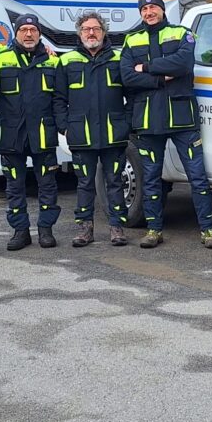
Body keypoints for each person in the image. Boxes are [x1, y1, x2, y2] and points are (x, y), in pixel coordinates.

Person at [120, 0, 212, 249]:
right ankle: (154, 230)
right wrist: (158, 78)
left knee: (197, 177)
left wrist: (146, 67)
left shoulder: (181, 33)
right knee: (151, 179)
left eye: (153, 8)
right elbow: (127, 78)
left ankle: (208, 231)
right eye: (144, 9)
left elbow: (183, 64)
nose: (149, 12)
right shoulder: (132, 40)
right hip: (148, 120)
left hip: (182, 118)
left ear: (162, 10)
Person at [54, 12, 130, 247]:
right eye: (86, 29)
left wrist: (125, 124)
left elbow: (133, 95)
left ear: (104, 32)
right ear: (79, 33)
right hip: (81, 134)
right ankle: (85, 229)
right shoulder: (66, 61)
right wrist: (65, 126)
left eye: (96, 28)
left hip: (112, 134)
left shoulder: (119, 59)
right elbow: (58, 98)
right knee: (84, 183)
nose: (91, 33)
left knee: (115, 182)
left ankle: (117, 228)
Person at [0, 14, 62, 251]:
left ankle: (46, 230)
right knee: (14, 185)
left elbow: (59, 98)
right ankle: (20, 231)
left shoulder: (53, 61)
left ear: (40, 34)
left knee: (48, 185)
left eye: (33, 30)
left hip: (43, 133)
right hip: (12, 134)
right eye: (23, 29)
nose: (28, 34)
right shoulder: (0, 59)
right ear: (16, 33)